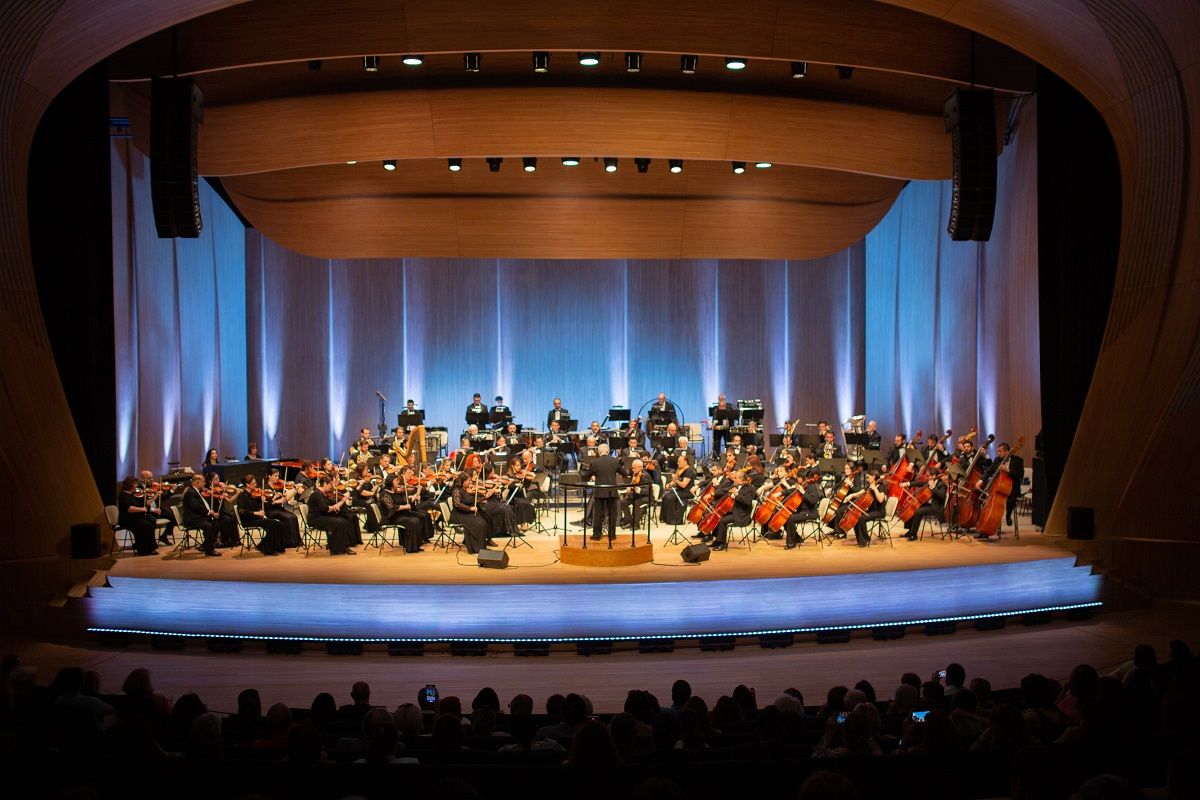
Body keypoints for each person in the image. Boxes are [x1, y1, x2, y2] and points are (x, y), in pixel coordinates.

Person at [306, 475, 357, 555]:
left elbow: (327, 506)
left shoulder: (322, 493)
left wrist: (334, 507)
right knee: (339, 522)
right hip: (315, 519)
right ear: (325, 484)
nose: (330, 486)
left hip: (321, 516)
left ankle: (342, 547)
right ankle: (337, 549)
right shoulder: (317, 494)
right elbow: (324, 508)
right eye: (330, 484)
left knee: (343, 521)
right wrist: (334, 507)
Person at [582, 443, 621, 544]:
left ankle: (597, 536)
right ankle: (612, 535)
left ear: (598, 452)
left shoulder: (594, 462)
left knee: (598, 514)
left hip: (599, 491)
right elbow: (624, 473)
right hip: (612, 491)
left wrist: (585, 473)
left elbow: (586, 476)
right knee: (612, 514)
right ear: (608, 451)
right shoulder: (615, 461)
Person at [234, 476, 283, 555]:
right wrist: (256, 513)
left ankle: (275, 547)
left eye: (255, 483)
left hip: (256, 519)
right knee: (273, 524)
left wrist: (266, 500)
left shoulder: (254, 494)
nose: (256, 485)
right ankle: (264, 547)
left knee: (279, 524)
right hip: (248, 521)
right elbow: (242, 511)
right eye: (253, 483)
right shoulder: (242, 496)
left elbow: (262, 507)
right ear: (247, 485)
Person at [708, 469, 755, 551]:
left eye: (736, 478)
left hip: (741, 514)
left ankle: (721, 543)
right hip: (734, 511)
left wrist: (736, 494)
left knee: (723, 520)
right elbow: (725, 493)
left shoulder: (750, 489)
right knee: (718, 516)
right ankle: (717, 540)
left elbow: (747, 502)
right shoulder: (735, 486)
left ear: (741, 479)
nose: (734, 479)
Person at [180, 474, 226, 556]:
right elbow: (196, 506)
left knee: (216, 524)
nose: (204, 484)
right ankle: (209, 550)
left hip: (198, 517)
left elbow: (201, 505)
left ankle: (206, 545)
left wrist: (210, 512)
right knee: (209, 526)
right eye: (203, 482)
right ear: (197, 482)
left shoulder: (195, 491)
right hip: (192, 519)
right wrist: (209, 512)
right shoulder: (190, 492)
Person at [450, 470, 493, 554]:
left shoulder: (464, 489)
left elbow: (470, 499)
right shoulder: (457, 490)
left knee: (483, 522)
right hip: (458, 514)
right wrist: (470, 509)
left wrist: (483, 499)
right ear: (463, 481)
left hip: (465, 512)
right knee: (478, 524)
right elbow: (457, 504)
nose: (470, 482)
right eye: (468, 481)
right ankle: (476, 548)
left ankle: (482, 547)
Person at [117, 477, 160, 556]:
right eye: (135, 484)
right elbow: (129, 509)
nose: (137, 485)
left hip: (135, 518)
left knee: (151, 521)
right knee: (146, 526)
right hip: (127, 519)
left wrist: (155, 496)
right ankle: (144, 550)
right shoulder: (123, 496)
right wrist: (141, 509)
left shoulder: (132, 495)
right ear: (130, 485)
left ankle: (150, 548)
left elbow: (144, 504)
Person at [660, 453, 696, 525]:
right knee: (665, 497)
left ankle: (673, 520)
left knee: (671, 498)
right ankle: (664, 518)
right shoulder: (680, 469)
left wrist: (675, 479)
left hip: (687, 491)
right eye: (678, 462)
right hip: (680, 490)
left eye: (680, 461)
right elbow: (675, 482)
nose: (678, 463)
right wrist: (669, 485)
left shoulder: (689, 471)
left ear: (685, 462)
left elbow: (683, 485)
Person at [619, 459, 653, 528]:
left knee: (636, 502)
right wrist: (630, 487)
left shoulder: (645, 476)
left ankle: (636, 525)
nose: (633, 469)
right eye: (632, 467)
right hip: (637, 495)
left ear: (640, 467)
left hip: (647, 496)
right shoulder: (635, 474)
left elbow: (647, 490)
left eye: (634, 468)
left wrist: (639, 489)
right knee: (623, 502)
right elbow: (633, 484)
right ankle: (629, 521)